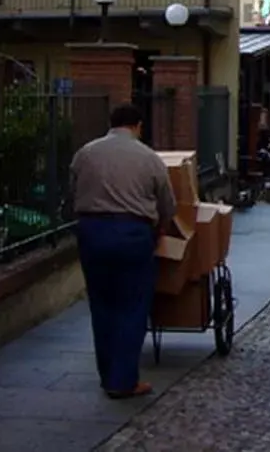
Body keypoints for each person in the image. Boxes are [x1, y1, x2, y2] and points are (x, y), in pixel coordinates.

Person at [69, 103, 175, 399]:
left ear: (111, 123)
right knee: (131, 307)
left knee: (101, 307)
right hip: (133, 234)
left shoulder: (85, 153)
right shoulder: (149, 158)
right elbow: (167, 203)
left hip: (92, 232)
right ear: (138, 125)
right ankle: (123, 380)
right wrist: (162, 227)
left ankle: (107, 376)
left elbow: (72, 192)